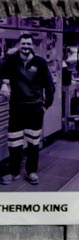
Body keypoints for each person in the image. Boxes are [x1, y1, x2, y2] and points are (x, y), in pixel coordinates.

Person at [0, 36, 58, 186]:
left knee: (33, 143)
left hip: (35, 109)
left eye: (28, 44)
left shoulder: (40, 63)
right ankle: (14, 173)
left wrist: (45, 106)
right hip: (16, 108)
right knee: (14, 143)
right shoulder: (12, 61)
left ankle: (31, 171)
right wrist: (3, 84)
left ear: (32, 46)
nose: (26, 46)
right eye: (23, 43)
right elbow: (2, 73)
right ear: (19, 45)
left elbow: (49, 86)